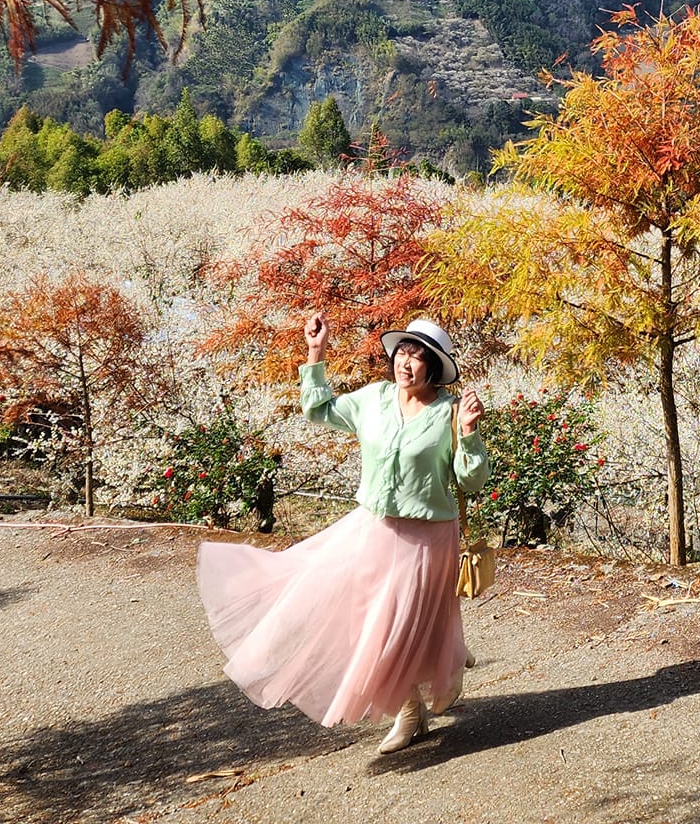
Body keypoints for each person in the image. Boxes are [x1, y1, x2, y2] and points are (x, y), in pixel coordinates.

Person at [197, 313, 489, 755]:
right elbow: (319, 410)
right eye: (401, 353)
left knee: (401, 625)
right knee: (370, 625)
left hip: (427, 537)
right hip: (372, 529)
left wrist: (468, 435)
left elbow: (471, 482)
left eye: (417, 356)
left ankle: (422, 696)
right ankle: (412, 708)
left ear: (434, 367)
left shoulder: (448, 414)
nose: (405, 363)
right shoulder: (372, 399)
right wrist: (316, 352)